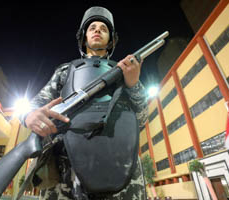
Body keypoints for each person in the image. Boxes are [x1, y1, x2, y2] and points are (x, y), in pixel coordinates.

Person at [20, 6, 149, 200]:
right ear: (84, 37)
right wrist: (29, 115)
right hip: (66, 168)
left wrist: (133, 84)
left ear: (111, 39)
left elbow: (141, 120)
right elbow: (37, 102)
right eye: (92, 28)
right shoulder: (65, 71)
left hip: (119, 163)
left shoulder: (126, 72)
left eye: (104, 29)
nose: (97, 30)